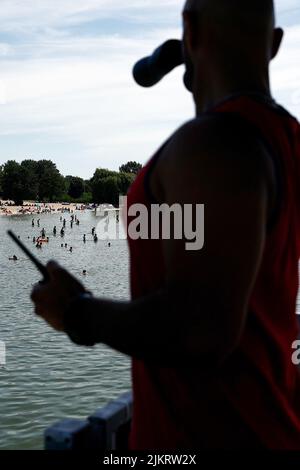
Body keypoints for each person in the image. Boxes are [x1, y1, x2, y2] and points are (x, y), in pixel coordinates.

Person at [31, 0, 300, 450]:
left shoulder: (212, 142)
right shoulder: (288, 140)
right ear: (273, 45)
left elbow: (201, 329)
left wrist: (77, 311)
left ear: (190, 30)